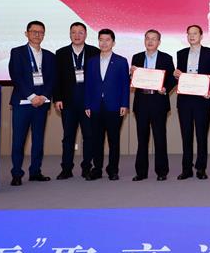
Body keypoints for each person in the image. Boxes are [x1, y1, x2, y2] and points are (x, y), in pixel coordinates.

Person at [8, 20, 56, 186]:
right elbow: (16, 76)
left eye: (40, 32)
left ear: (44, 35)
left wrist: (43, 96)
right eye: (34, 31)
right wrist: (31, 96)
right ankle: (16, 173)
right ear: (26, 33)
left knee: (38, 140)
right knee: (18, 141)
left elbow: (52, 79)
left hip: (41, 103)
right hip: (23, 103)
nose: (37, 35)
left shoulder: (50, 56)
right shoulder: (17, 52)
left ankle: (35, 171)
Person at [53, 22, 99, 180]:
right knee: (68, 137)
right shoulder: (61, 53)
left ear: (86, 34)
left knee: (89, 137)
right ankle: (66, 169)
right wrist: (57, 98)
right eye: (74, 32)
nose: (77, 35)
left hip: (88, 103)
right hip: (68, 103)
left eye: (80, 32)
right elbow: (56, 78)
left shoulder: (94, 52)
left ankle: (87, 167)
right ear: (70, 34)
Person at [84, 29, 130, 181]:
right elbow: (88, 85)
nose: (104, 43)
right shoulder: (91, 61)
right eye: (101, 40)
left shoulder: (121, 61)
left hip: (114, 106)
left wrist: (124, 104)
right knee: (96, 140)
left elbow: (125, 84)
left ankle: (113, 170)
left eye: (107, 40)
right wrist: (87, 105)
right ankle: (97, 169)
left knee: (113, 140)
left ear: (113, 42)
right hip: (95, 106)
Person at [130, 29, 176, 181]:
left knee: (159, 137)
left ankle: (161, 172)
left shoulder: (166, 58)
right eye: (148, 38)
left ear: (159, 42)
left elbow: (172, 79)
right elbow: (133, 80)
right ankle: (141, 172)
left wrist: (165, 89)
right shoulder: (137, 57)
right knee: (142, 138)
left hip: (158, 101)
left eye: (153, 39)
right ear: (144, 40)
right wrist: (131, 74)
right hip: (141, 101)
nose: (150, 41)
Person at [174, 25, 210, 180]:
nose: (191, 36)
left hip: (202, 100)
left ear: (201, 36)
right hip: (185, 100)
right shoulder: (181, 53)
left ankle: (201, 168)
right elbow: (179, 77)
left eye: (195, 33)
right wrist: (176, 75)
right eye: (189, 34)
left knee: (201, 135)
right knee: (186, 136)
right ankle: (186, 169)